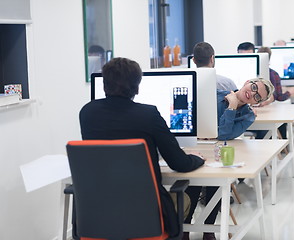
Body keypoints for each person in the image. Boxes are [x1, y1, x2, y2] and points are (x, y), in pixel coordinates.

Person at [79, 57, 205, 238]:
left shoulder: (87, 113)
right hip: (146, 215)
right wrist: (197, 158)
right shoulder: (148, 115)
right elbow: (180, 164)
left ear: (104, 85)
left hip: (99, 213)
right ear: (137, 87)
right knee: (183, 199)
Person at [183, 77, 274, 240]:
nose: (252, 94)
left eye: (257, 96)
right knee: (194, 182)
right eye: (254, 87)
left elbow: (223, 135)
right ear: (247, 81)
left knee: (216, 183)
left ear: (257, 102)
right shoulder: (214, 95)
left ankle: (208, 230)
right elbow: (195, 121)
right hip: (195, 148)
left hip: (218, 153)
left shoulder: (248, 116)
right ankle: (185, 230)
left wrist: (232, 107)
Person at [255, 47, 294, 139]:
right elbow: (279, 97)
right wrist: (289, 92)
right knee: (281, 120)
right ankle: (283, 145)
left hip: (260, 112)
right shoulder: (273, 74)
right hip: (266, 112)